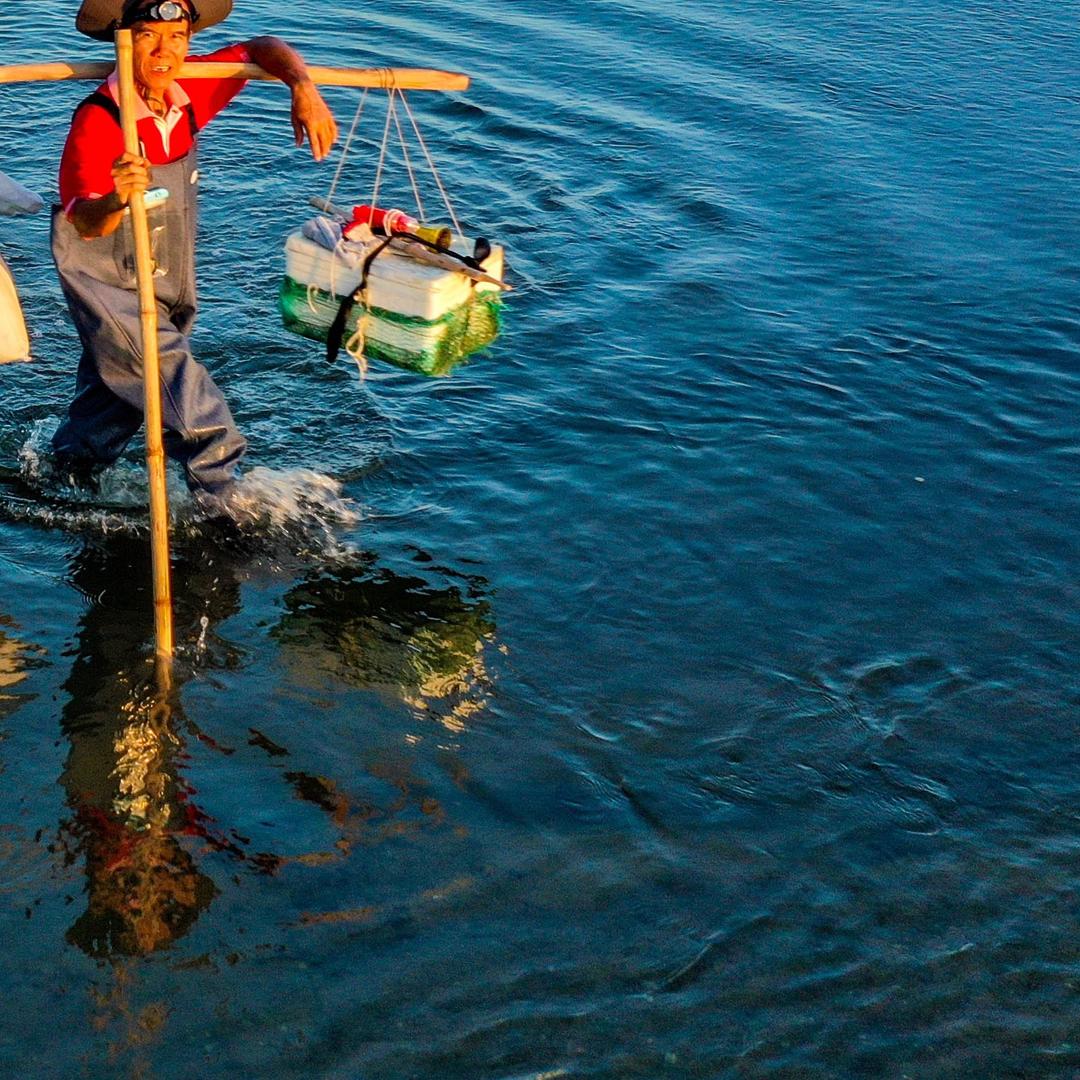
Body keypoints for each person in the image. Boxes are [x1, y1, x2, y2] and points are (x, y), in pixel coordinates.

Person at [52, 0, 338, 504]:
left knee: (119, 390)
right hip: (107, 281)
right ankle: (226, 503)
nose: (165, 53)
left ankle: (67, 474)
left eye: (178, 37)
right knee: (179, 385)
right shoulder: (99, 121)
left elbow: (259, 48)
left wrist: (301, 85)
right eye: (147, 37)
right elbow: (84, 223)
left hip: (165, 272)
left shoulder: (189, 93)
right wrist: (118, 196)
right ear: (124, 41)